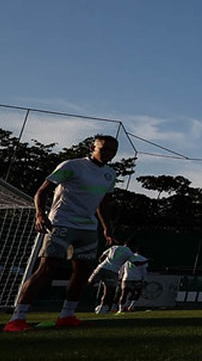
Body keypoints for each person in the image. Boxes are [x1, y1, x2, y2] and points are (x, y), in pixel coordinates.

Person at [5, 135, 118, 332]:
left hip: (88, 228)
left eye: (113, 151)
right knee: (47, 268)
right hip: (61, 223)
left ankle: (67, 315)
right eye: (104, 149)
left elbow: (103, 203)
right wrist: (40, 214)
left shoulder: (110, 174)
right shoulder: (72, 166)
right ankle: (17, 318)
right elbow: (42, 191)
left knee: (83, 273)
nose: (109, 154)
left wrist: (107, 227)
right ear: (93, 147)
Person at [90, 238, 135, 314]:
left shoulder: (114, 247)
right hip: (113, 271)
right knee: (108, 291)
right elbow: (133, 263)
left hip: (101, 268)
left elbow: (101, 258)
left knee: (88, 283)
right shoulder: (130, 253)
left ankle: (72, 301)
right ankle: (102, 307)